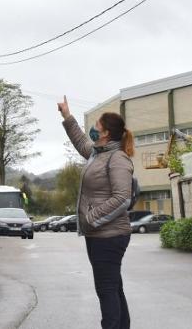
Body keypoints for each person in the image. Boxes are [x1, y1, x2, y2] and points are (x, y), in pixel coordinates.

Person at [58, 96, 135, 329]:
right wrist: (67, 116)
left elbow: (122, 198)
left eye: (97, 127)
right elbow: (82, 142)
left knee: (106, 290)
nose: (93, 129)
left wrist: (91, 218)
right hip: (100, 234)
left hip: (109, 236)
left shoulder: (118, 158)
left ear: (105, 134)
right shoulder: (98, 153)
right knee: (113, 287)